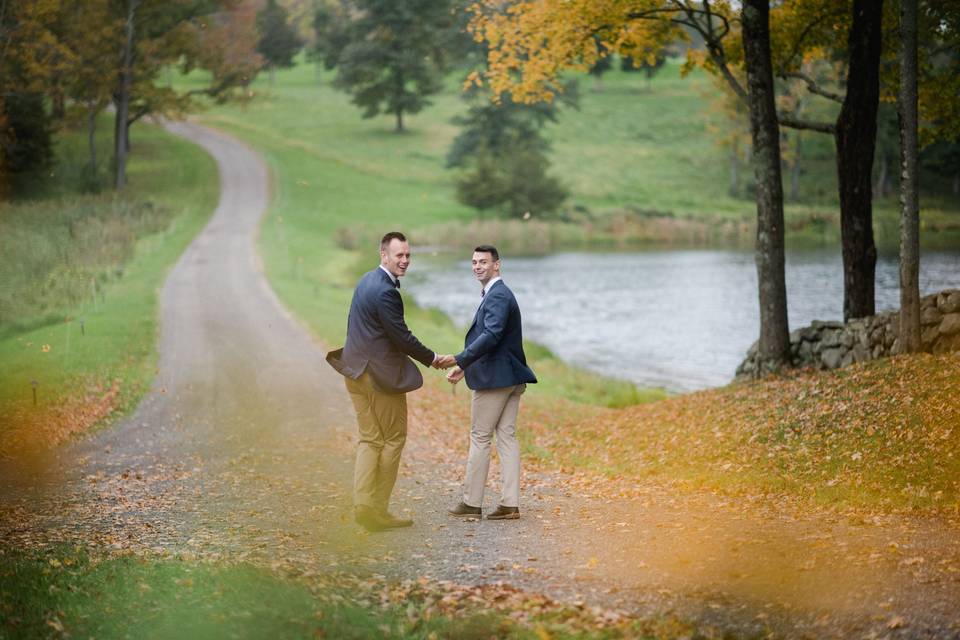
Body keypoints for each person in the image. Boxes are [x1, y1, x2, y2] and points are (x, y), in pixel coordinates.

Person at [327, 231, 456, 532]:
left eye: (408, 255)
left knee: (370, 439)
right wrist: (434, 358)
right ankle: (378, 510)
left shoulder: (366, 280)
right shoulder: (386, 291)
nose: (405, 260)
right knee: (394, 438)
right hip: (377, 378)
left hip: (354, 372)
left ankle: (363, 505)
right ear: (383, 255)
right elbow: (402, 337)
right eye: (399, 255)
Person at [446, 245, 537, 520]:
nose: (477, 266)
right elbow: (494, 338)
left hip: (495, 380)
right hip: (510, 376)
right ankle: (510, 504)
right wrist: (466, 366)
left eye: (483, 262)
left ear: (497, 265)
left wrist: (461, 360)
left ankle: (472, 503)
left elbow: (491, 334)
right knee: (507, 437)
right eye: (474, 262)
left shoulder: (498, 295)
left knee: (480, 436)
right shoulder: (498, 293)